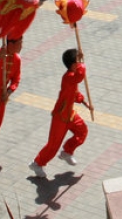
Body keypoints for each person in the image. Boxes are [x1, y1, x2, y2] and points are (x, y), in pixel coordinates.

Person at [29, 48, 90, 178]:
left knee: (82, 131)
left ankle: (67, 151)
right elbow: (79, 77)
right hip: (60, 116)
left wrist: (84, 102)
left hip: (70, 114)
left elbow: (75, 92)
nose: (80, 63)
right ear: (73, 65)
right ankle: (37, 163)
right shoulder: (68, 77)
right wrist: (83, 64)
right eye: (78, 61)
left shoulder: (72, 78)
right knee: (53, 145)